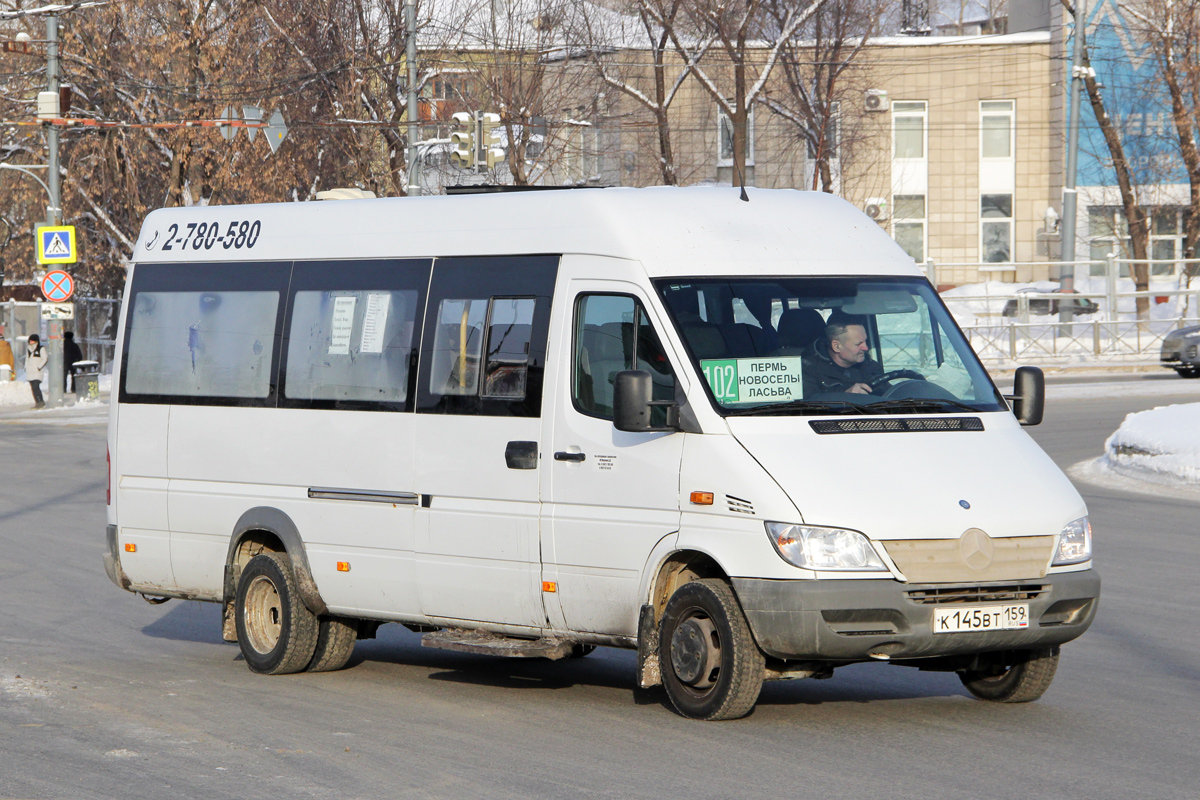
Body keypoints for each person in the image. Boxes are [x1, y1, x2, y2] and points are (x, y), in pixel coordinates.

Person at [802, 311, 883, 396]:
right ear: (836, 346)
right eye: (858, 344)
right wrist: (844, 396)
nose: (866, 348)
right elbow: (809, 404)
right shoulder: (808, 370)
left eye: (865, 341)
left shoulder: (869, 366)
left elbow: (888, 392)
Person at [25, 334, 48, 409]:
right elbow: (27, 359)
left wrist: (39, 367)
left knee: (36, 386)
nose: (31, 342)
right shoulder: (28, 349)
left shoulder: (41, 349)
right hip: (30, 372)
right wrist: (26, 367)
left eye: (32, 341)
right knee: (33, 388)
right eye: (30, 341)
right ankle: (37, 402)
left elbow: (45, 359)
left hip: (37, 372)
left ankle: (40, 401)